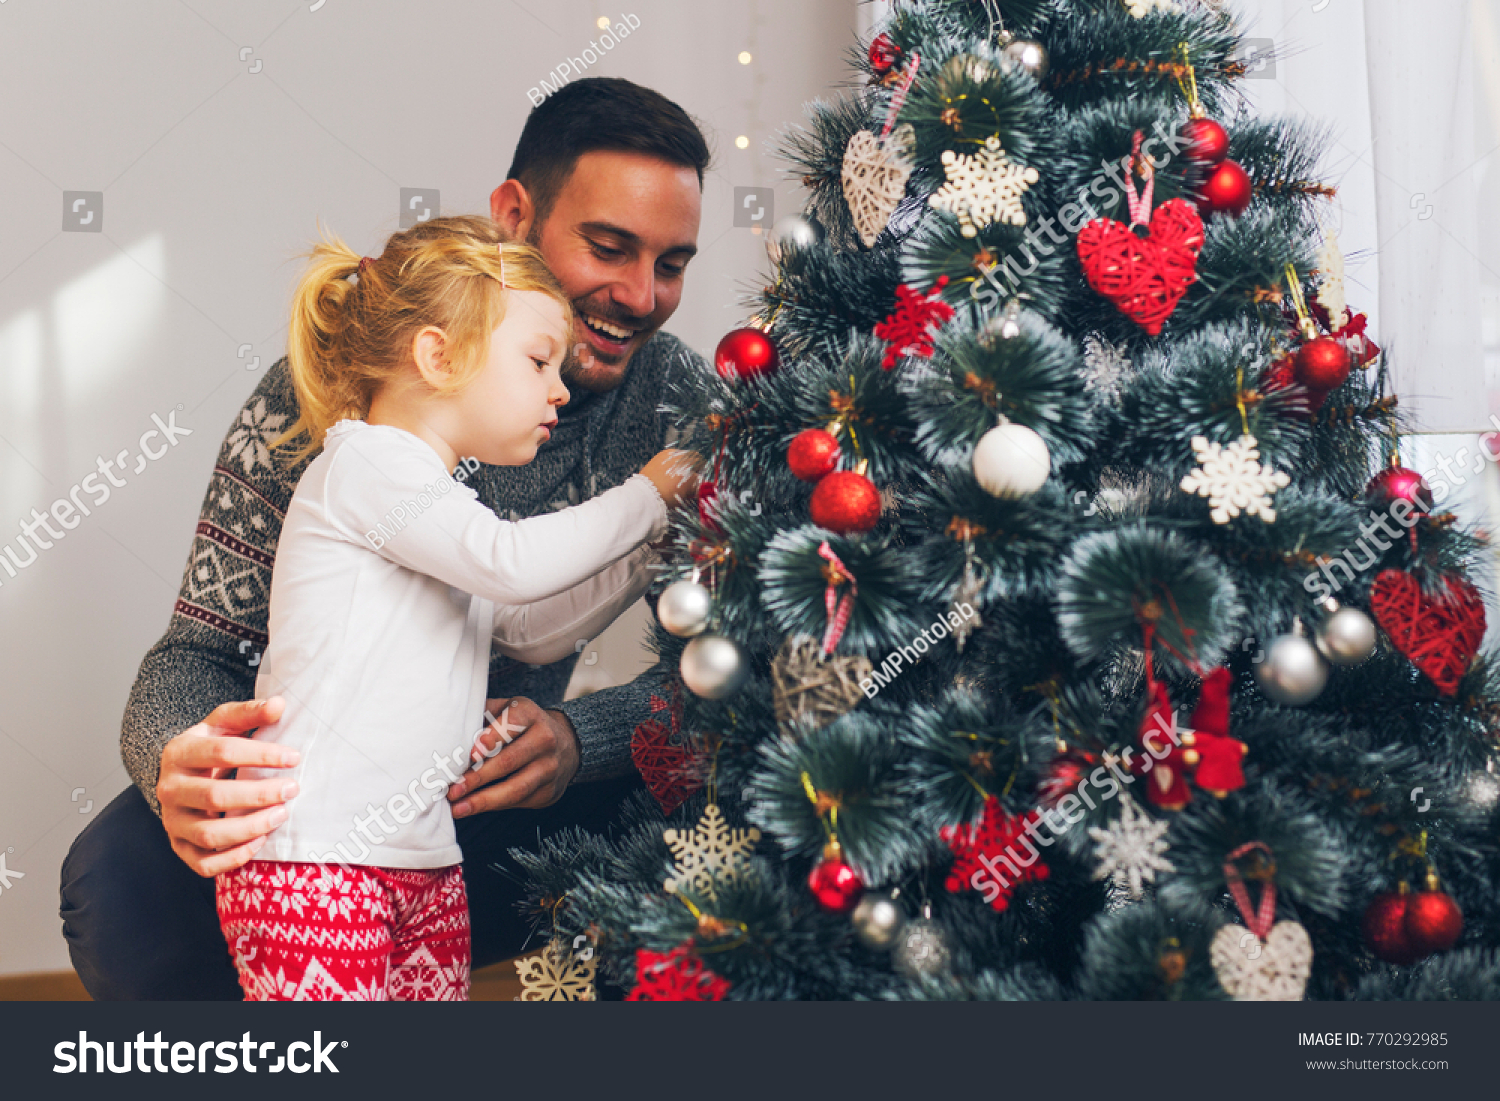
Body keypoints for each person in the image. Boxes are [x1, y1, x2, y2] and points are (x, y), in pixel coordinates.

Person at [59, 78, 712, 1000]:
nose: (640, 295)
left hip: (469, 815)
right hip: (316, 819)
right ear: (514, 216)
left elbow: (674, 654)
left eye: (673, 263)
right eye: (608, 246)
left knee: (734, 778)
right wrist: (187, 761)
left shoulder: (676, 402)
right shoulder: (345, 408)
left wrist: (581, 736)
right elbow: (198, 651)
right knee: (119, 880)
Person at [216, 219, 699, 1001]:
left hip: (422, 862)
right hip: (317, 859)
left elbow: (529, 629)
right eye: (538, 360)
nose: (560, 388)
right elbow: (511, 566)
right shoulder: (367, 465)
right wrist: (646, 496)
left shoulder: (444, 501)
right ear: (438, 356)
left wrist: (652, 542)